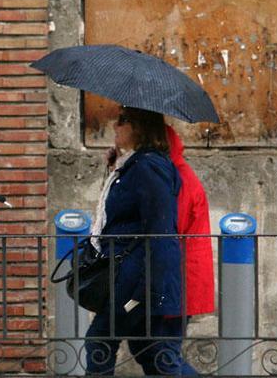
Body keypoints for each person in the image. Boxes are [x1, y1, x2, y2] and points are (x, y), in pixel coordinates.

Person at [85, 107, 197, 376]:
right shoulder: (136, 165)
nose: (115, 125)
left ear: (140, 127)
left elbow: (159, 229)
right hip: (132, 276)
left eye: (123, 120)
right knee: (154, 352)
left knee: (100, 339)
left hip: (137, 283)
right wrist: (115, 168)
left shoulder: (149, 167)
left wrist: (148, 292)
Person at [166, 126, 215, 318]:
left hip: (182, 276)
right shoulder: (176, 174)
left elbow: (172, 224)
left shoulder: (180, 179)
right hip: (181, 275)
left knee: (165, 343)